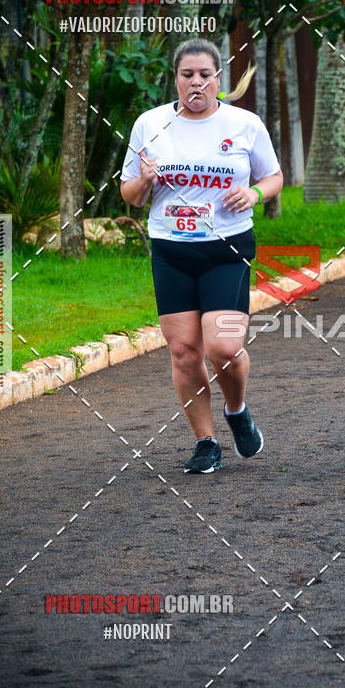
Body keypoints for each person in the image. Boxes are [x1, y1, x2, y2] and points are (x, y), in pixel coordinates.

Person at [120, 38, 283, 474]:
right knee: (184, 352)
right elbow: (131, 195)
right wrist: (145, 181)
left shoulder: (244, 124)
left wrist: (252, 192)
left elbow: (274, 177)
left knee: (224, 347)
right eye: (187, 75)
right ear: (175, 79)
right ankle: (206, 442)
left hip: (227, 249)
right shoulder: (150, 125)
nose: (196, 83)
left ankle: (237, 410)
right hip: (171, 250)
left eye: (204, 75)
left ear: (217, 79)